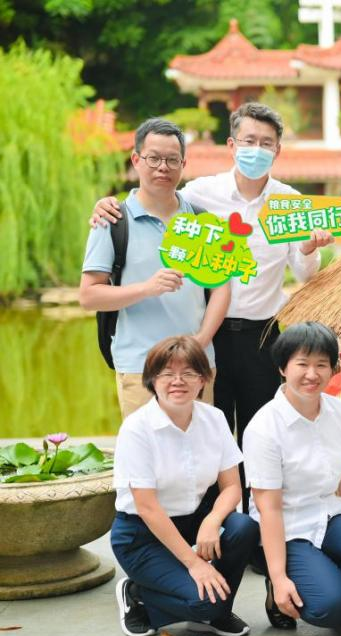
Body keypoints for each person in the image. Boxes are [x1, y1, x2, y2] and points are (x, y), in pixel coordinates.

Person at [92, 104, 333, 512]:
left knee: (261, 433)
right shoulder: (201, 194)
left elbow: (304, 273)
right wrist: (105, 205)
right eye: (249, 141)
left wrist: (309, 249)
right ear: (232, 145)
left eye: (266, 143)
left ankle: (257, 522)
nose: (257, 149)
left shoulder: (290, 203)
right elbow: (156, 199)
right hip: (208, 334)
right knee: (207, 434)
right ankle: (215, 520)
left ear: (278, 150)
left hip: (263, 335)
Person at [243, 322, 341, 631]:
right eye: (302, 364)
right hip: (288, 527)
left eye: (321, 364)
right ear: (282, 367)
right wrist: (279, 578)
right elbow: (269, 509)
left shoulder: (339, 411)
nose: (312, 374)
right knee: (330, 609)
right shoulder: (264, 428)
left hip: (328, 515)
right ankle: (281, 586)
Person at [110, 335, 259, 636]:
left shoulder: (214, 418)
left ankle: (216, 607)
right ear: (152, 380)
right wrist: (194, 564)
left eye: (189, 373)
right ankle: (138, 595)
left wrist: (212, 520)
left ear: (203, 379)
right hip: (143, 535)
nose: (178, 381)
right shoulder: (136, 429)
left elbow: (232, 486)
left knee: (243, 528)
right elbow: (147, 507)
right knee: (205, 604)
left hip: (194, 521)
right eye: (167, 373)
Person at [80, 118, 230, 418]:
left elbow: (221, 289)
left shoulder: (203, 223)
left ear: (183, 164)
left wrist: (200, 342)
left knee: (200, 446)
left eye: (172, 160)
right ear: (136, 160)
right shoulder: (112, 221)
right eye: (153, 158)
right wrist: (147, 288)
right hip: (140, 367)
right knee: (146, 447)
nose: (163, 167)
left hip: (196, 366)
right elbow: (88, 296)